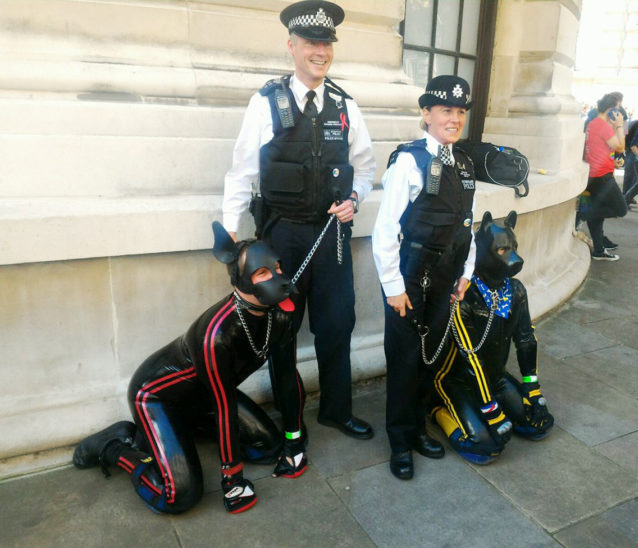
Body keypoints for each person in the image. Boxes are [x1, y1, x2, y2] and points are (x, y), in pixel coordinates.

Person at [221, 1, 376, 441]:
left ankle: (337, 411)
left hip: (332, 235)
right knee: (282, 332)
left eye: (326, 43)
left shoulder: (346, 107)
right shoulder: (266, 102)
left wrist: (353, 199)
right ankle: (292, 424)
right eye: (310, 42)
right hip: (281, 236)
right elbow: (242, 171)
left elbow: (365, 168)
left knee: (336, 325)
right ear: (292, 46)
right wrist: (231, 234)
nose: (320, 51)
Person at [73, 224, 305, 514]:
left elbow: (287, 375)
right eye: (263, 273)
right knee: (179, 495)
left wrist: (294, 443)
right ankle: (116, 446)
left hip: (206, 396)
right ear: (240, 281)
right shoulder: (215, 335)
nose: (278, 278)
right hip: (158, 398)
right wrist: (233, 482)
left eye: (278, 268)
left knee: (268, 447)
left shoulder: (283, 311)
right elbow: (224, 407)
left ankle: (183, 428)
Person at [372, 75, 477, 480]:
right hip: (411, 279)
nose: (454, 119)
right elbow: (385, 230)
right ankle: (400, 441)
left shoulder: (464, 163)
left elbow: (466, 223)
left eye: (460, 112)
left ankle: (417, 429)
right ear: (427, 114)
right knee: (404, 363)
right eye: (446, 111)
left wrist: (465, 273)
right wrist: (394, 289)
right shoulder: (409, 161)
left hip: (446, 277)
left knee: (429, 360)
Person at [431, 211, 553, 464]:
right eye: (501, 251)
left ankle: (495, 405)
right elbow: (470, 356)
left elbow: (525, 339)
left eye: (513, 248)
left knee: (539, 422)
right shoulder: (463, 295)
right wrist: (490, 409)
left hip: (494, 377)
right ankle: (438, 411)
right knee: (486, 447)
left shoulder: (515, 290)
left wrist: (531, 386)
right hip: (459, 380)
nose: (513, 257)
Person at [582, 93, 628, 261]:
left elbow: (597, 149)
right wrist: (619, 126)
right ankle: (585, 214)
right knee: (621, 209)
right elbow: (620, 147)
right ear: (611, 110)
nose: (619, 113)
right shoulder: (603, 126)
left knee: (598, 217)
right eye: (617, 110)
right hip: (602, 177)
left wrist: (611, 162)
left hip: (593, 175)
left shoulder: (592, 124)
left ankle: (599, 250)